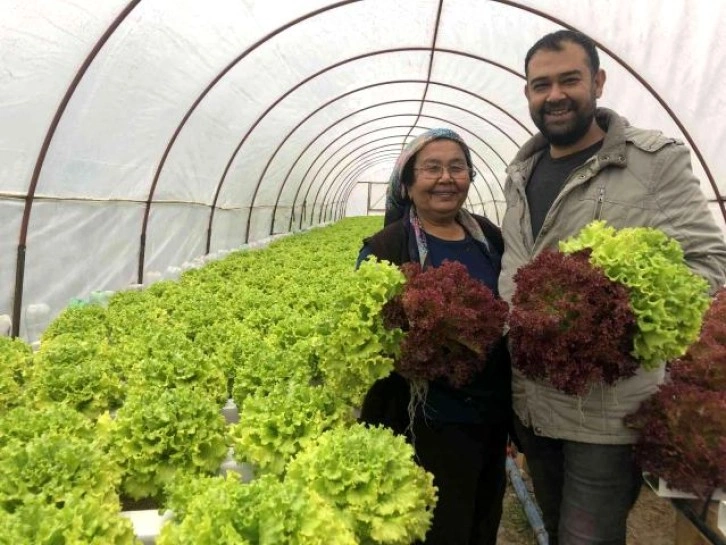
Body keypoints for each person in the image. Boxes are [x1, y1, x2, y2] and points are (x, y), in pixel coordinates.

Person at [499, 29, 726, 545]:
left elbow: (708, 261)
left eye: (569, 80)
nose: (554, 95)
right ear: (528, 94)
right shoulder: (521, 171)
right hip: (531, 400)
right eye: (541, 85)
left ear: (598, 82)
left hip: (605, 412)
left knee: (587, 536)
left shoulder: (651, 161)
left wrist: (614, 316)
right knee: (556, 527)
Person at [356, 128, 512, 545]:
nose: (446, 178)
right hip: (418, 424)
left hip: (487, 417)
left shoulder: (490, 239)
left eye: (457, 167)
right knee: (435, 528)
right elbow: (365, 337)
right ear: (406, 185)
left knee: (482, 521)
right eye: (432, 168)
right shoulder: (385, 247)